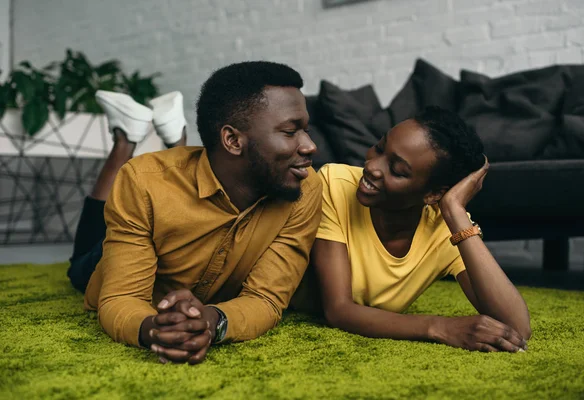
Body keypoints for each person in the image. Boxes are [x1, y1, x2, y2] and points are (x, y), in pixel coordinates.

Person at [67, 61, 321, 365]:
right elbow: (121, 297)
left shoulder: (305, 188)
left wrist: (213, 322)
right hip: (131, 246)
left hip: (176, 200)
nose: (310, 146)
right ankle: (125, 140)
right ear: (232, 140)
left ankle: (173, 139)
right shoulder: (142, 182)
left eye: (305, 130)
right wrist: (153, 329)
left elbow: (266, 299)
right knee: (79, 267)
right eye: (291, 131)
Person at [293, 106, 531, 353]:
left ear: (433, 194)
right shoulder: (336, 184)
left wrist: (454, 210)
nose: (373, 166)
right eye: (379, 147)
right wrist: (439, 327)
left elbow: (517, 328)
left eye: (397, 170)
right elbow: (339, 310)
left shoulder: (445, 226)